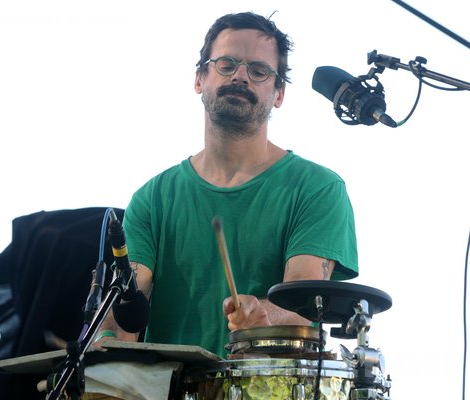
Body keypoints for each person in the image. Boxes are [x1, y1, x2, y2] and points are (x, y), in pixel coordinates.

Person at [93, 11, 358, 358]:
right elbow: (125, 320)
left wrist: (264, 313)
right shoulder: (151, 199)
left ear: (278, 94)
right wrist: (99, 347)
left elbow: (303, 305)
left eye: (259, 70)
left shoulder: (317, 189)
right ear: (199, 79)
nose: (241, 76)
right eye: (227, 64)